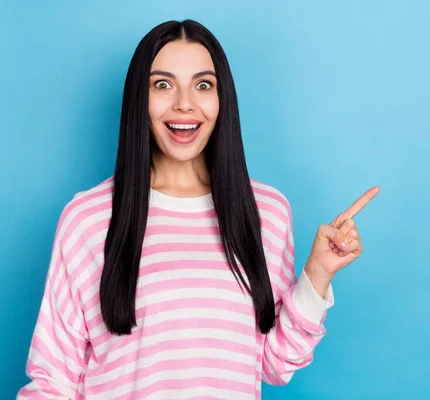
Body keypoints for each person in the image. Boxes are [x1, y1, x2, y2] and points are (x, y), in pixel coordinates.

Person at [17, 19, 379, 399]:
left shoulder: (266, 213)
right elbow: (52, 380)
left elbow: (272, 361)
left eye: (203, 85)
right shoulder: (88, 220)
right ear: (139, 98)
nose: (185, 104)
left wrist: (317, 274)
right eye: (163, 84)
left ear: (223, 100)